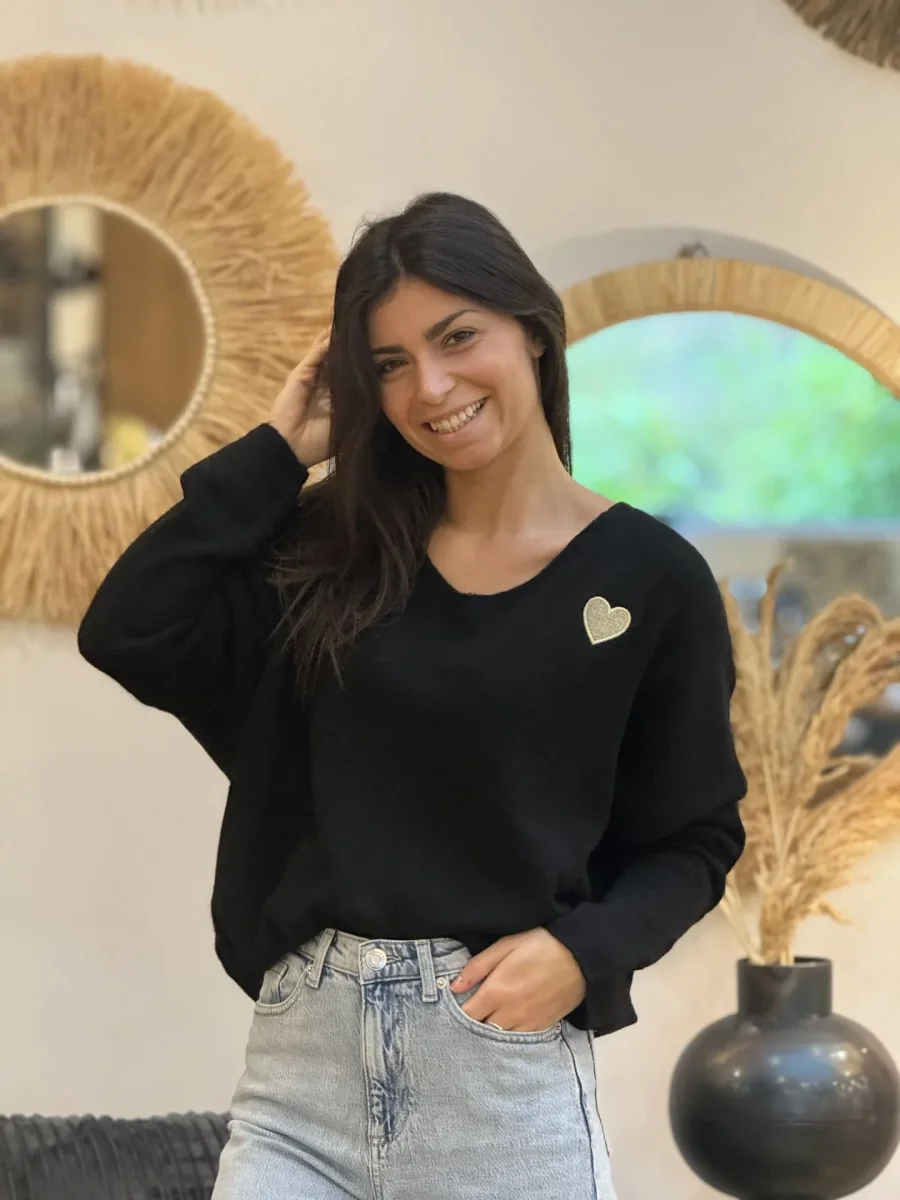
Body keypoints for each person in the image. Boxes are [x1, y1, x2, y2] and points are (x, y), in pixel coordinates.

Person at [78, 192, 747, 1200]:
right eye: (388, 364)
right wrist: (275, 454)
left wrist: (584, 953)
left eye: (457, 337)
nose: (430, 387)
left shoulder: (650, 581)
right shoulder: (332, 549)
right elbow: (130, 626)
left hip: (501, 1087)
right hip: (301, 1087)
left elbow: (696, 839)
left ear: (532, 328)